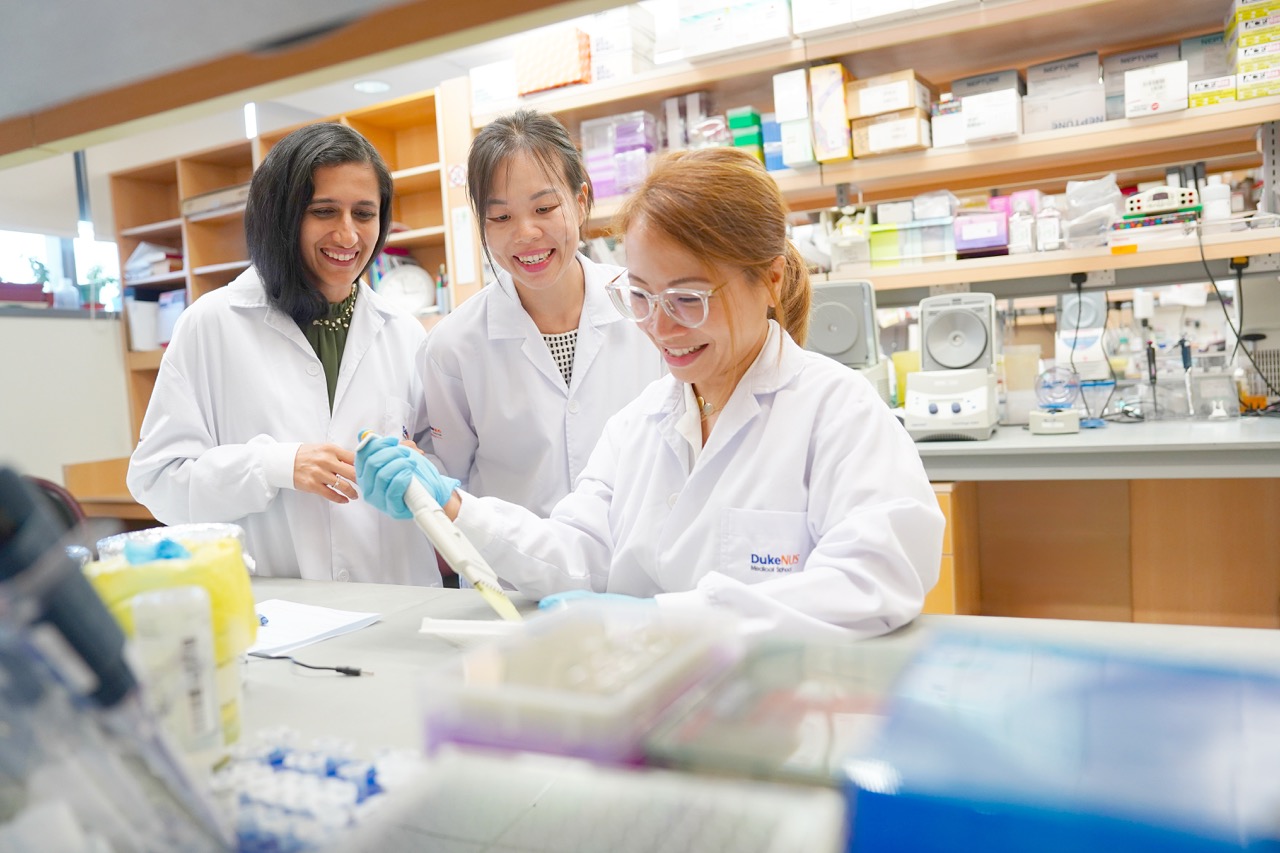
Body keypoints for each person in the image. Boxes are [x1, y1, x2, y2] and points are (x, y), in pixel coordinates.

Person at [359, 147, 943, 636]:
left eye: (688, 298)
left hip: (784, 731)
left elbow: (874, 579)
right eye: (640, 296)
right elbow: (577, 554)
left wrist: (663, 620)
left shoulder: (838, 412)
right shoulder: (638, 424)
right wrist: (453, 504)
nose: (660, 329)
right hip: (649, 720)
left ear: (770, 279)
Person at [128, 122, 439, 585]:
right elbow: (159, 482)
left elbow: (443, 477)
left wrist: (421, 469)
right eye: (324, 211)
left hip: (396, 605)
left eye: (364, 213)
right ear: (281, 215)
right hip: (280, 619)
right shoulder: (212, 324)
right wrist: (274, 466)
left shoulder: (403, 333)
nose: (349, 235)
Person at [419, 109, 663, 516]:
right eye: (500, 217)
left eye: (545, 208)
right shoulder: (453, 347)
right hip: (512, 576)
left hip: (636, 566)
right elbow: (450, 486)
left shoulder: (647, 306)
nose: (526, 233)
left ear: (581, 201)